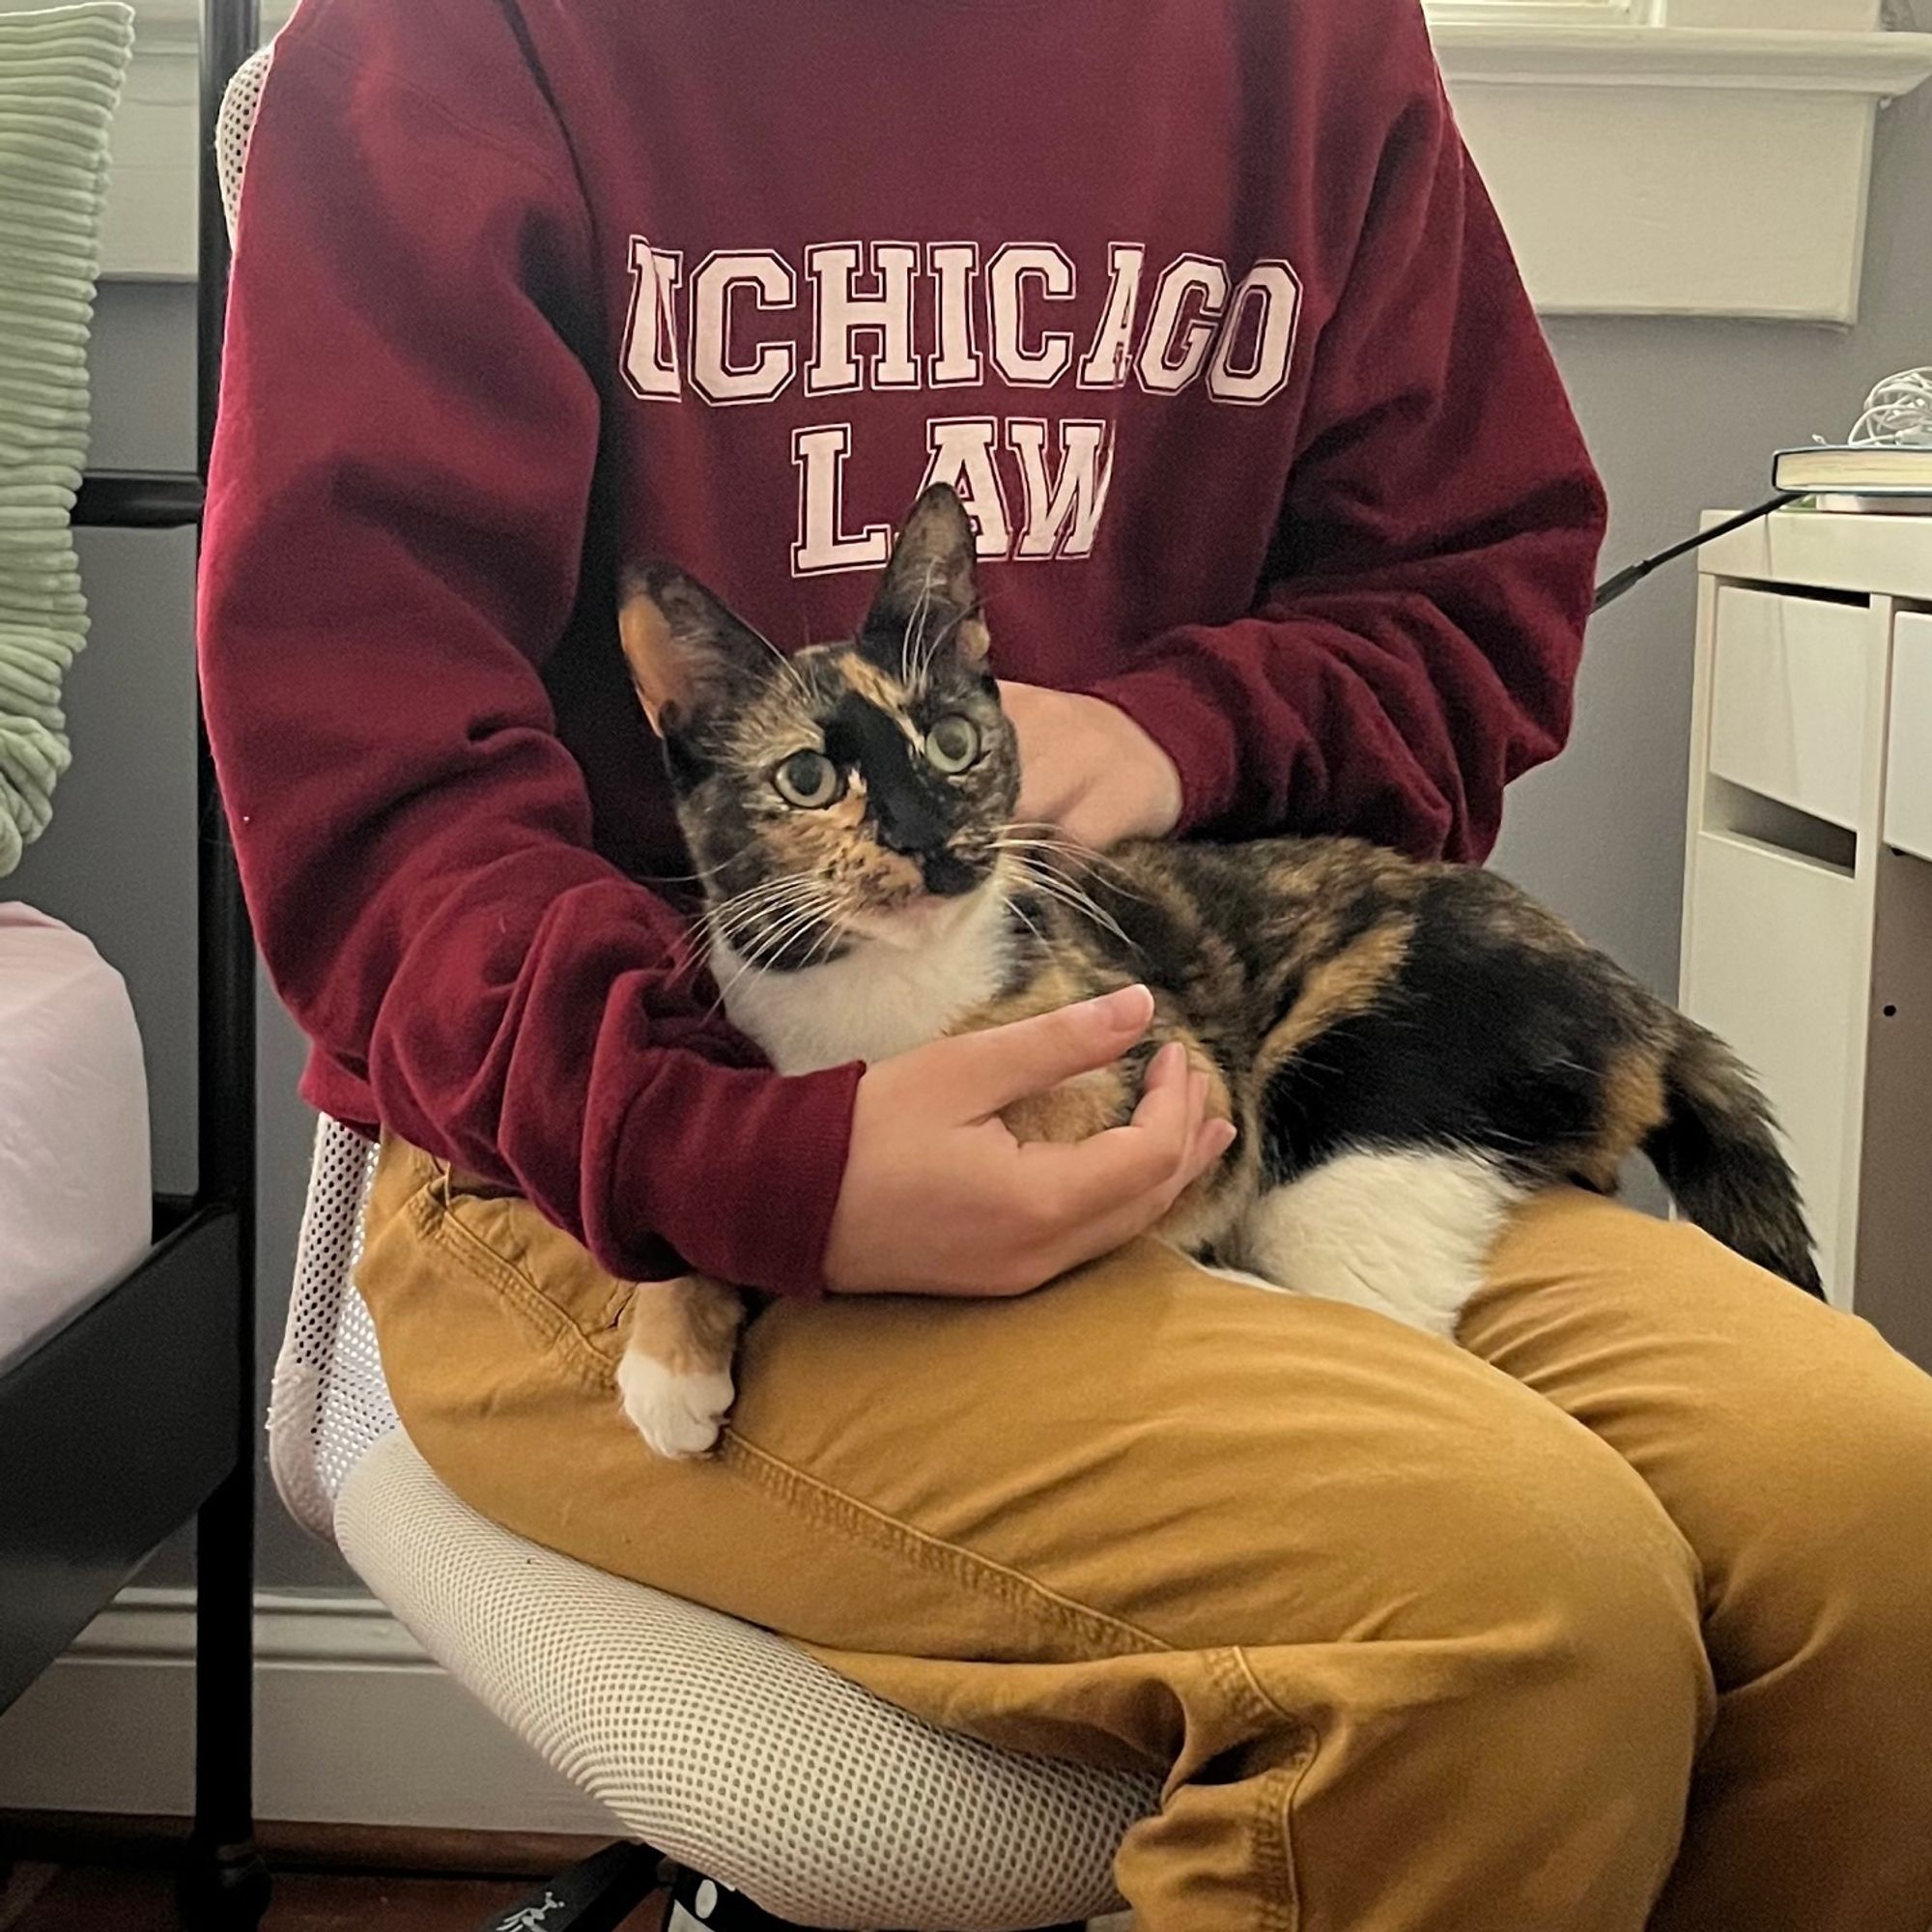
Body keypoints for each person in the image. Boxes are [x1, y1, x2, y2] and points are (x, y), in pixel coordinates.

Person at [199, 0, 1932, 1925]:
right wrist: (750, 1164)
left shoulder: (1301, 41)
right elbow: (370, 791)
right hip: (604, 1166)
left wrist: (1184, 730)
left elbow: (1477, 583)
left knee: (1880, 1522)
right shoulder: (456, 42)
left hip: (1183, 1073)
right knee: (1506, 1613)